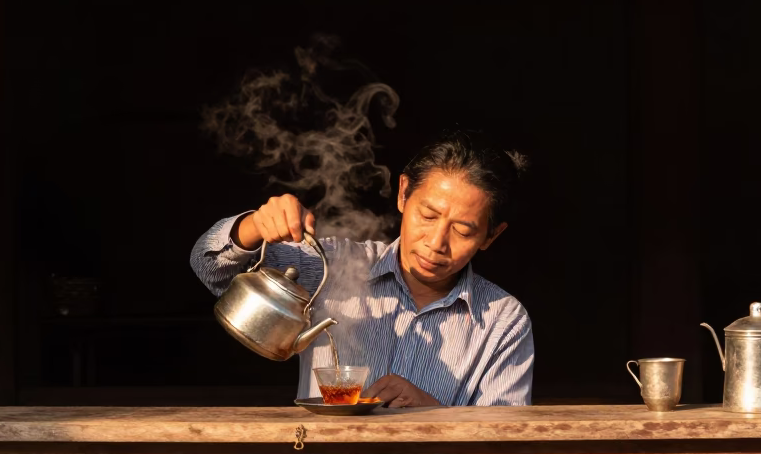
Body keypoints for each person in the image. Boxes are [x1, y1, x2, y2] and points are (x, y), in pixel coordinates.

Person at [190, 132, 534, 407]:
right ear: (403, 194)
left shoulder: (503, 321)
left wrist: (432, 415)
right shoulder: (333, 266)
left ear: (492, 235)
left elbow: (503, 446)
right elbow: (208, 268)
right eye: (427, 216)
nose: (436, 242)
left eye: (463, 231)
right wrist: (252, 227)